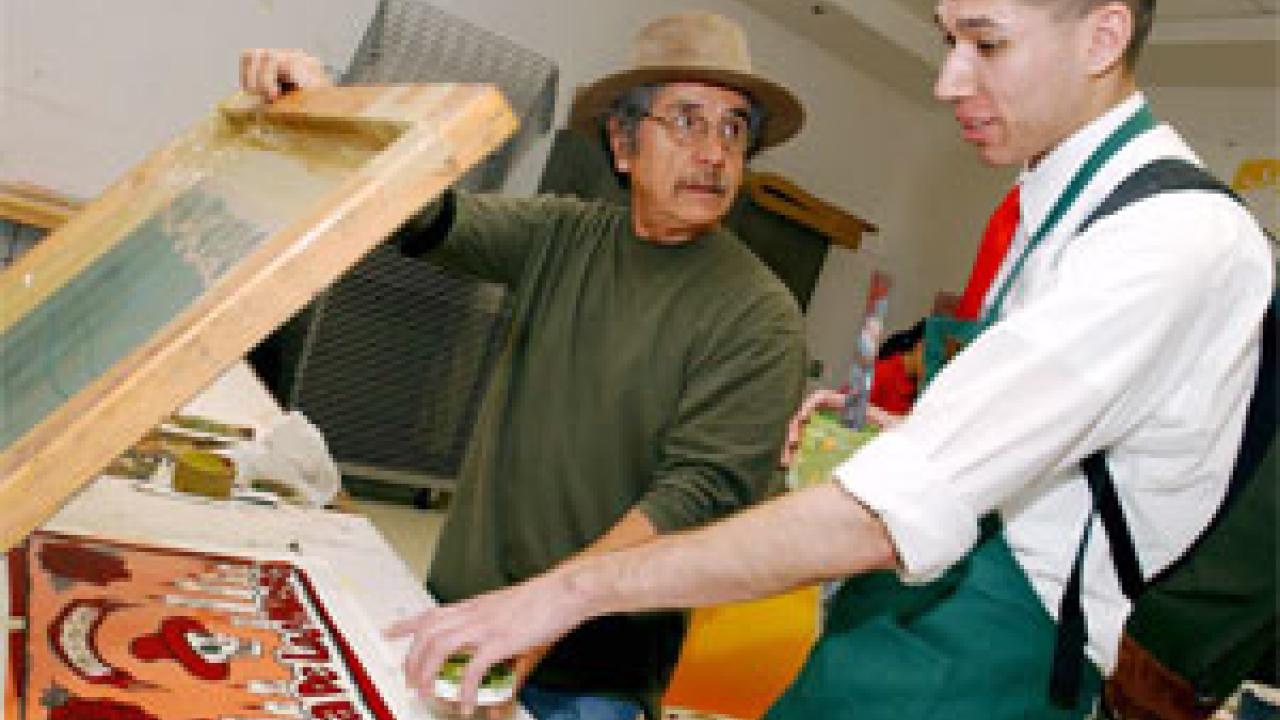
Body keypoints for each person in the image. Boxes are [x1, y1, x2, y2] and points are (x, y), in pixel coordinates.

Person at [382, 1, 1274, 718]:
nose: (946, 81)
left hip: (979, 668)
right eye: (947, 40)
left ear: (1104, 36)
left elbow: (881, 518)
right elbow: (1041, 448)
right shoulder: (1057, 209)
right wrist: (900, 435)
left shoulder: (1166, 239)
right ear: (622, 143)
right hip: (895, 627)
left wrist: (561, 596)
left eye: (987, 42)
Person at [240, 11, 808, 720]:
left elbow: (696, 500)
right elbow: (427, 216)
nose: (715, 153)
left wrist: (542, 613)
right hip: (459, 616)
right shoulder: (563, 235)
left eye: (733, 130)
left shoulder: (759, 314)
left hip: (591, 679)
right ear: (623, 143)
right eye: (688, 121)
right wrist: (332, 110)